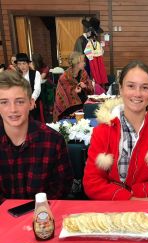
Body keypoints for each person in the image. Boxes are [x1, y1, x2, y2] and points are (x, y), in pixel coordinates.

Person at [83, 60, 148, 201]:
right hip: (115, 211)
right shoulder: (102, 131)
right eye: (131, 86)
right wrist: (130, 199)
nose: (138, 94)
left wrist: (136, 193)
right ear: (121, 88)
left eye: (144, 88)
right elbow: (92, 182)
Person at [0, 70, 73, 203]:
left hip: (42, 217)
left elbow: (61, 189)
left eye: (20, 102)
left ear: (31, 103)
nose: (12, 109)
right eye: (4, 102)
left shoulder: (53, 141)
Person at [53, 51, 94, 121]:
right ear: (77, 64)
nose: (84, 63)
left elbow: (91, 91)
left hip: (84, 104)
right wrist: (74, 92)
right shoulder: (64, 77)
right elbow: (61, 97)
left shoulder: (84, 73)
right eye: (82, 62)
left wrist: (85, 87)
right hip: (69, 108)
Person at [15, 52, 42, 121]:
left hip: (33, 100)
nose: (22, 66)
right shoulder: (15, 76)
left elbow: (37, 89)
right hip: (20, 102)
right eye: (19, 64)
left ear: (28, 64)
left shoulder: (36, 73)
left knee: (35, 122)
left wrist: (32, 100)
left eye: (24, 63)